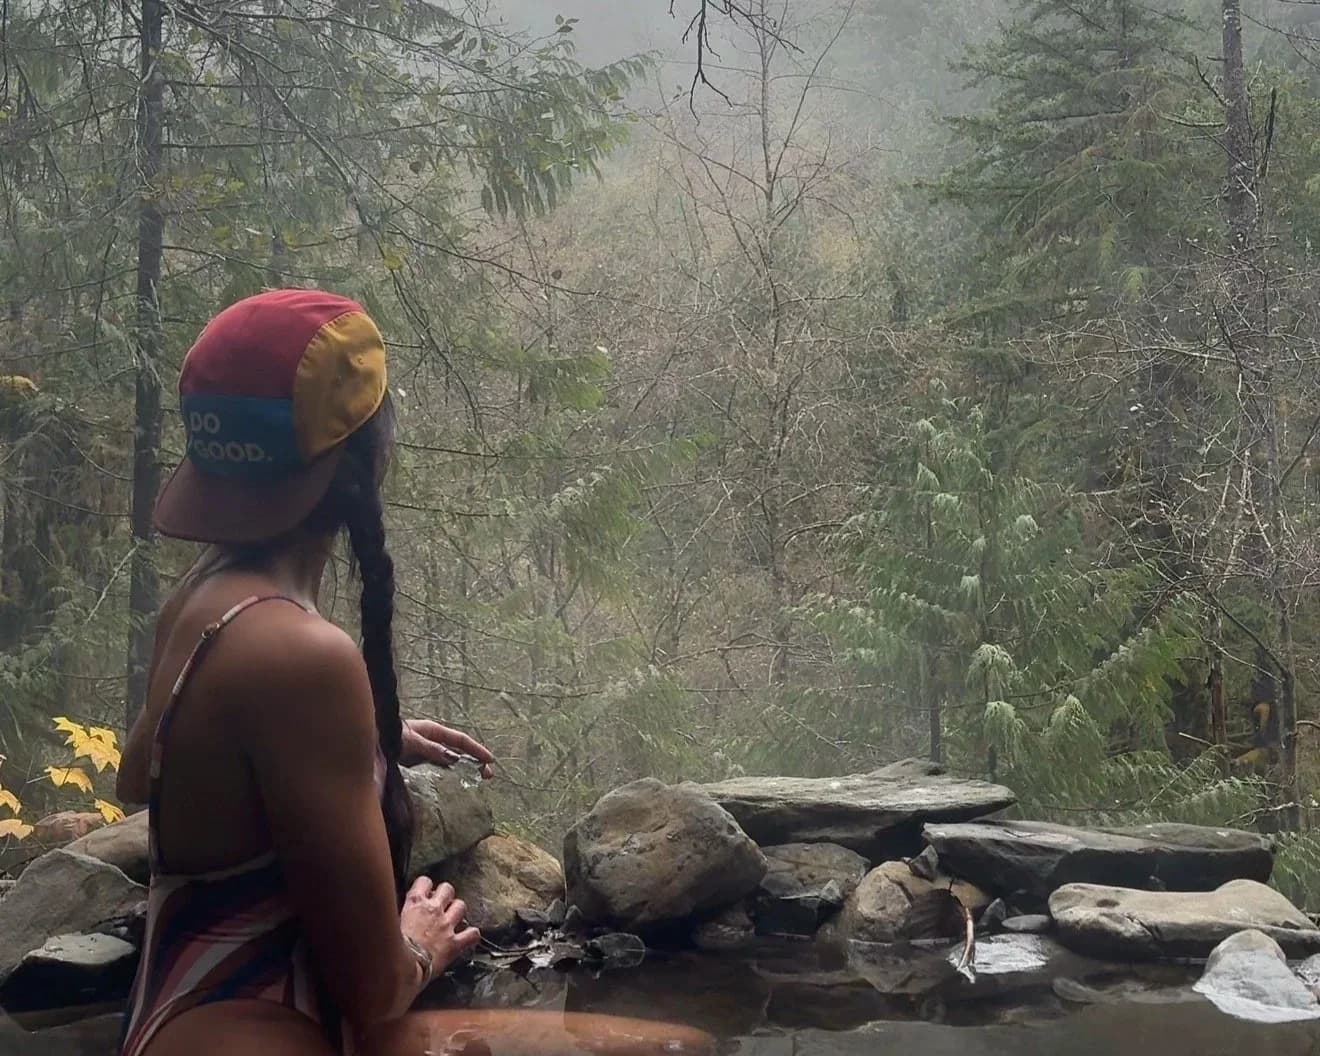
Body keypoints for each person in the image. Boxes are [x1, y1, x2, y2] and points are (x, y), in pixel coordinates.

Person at [115, 289, 496, 1056]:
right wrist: (418, 939)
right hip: (260, 1025)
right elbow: (373, 988)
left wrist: (367, 744)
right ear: (368, 456)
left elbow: (139, 776)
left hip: (187, 1012)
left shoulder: (204, 595)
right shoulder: (301, 658)